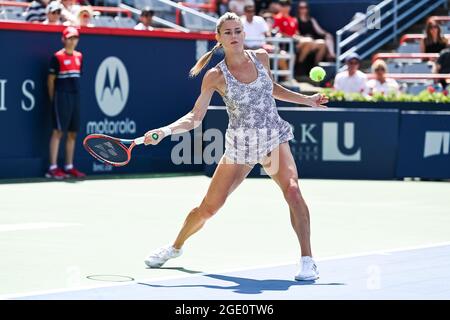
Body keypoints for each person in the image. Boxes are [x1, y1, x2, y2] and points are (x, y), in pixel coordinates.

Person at [142, 12, 328, 281]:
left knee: (294, 191)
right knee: (208, 208)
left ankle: (307, 260)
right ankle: (174, 247)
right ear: (218, 38)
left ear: (244, 34)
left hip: (273, 136)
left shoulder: (261, 57)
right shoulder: (215, 76)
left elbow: (271, 88)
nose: (234, 36)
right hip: (240, 146)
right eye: (227, 32)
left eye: (238, 31)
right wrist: (165, 131)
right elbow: (195, 117)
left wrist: (307, 100)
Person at [46, 27, 86, 179]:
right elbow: (50, 81)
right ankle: (53, 167)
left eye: (75, 38)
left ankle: (69, 166)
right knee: (58, 132)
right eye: (69, 38)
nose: (72, 41)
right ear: (63, 39)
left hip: (75, 97)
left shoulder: (79, 57)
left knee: (72, 133)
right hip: (61, 97)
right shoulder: (57, 57)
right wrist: (54, 98)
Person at [272, 0, 322, 65]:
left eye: (287, 5)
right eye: (283, 5)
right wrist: (291, 37)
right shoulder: (276, 18)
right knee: (308, 41)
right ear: (279, 6)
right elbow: (278, 33)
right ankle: (299, 65)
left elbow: (296, 33)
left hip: (294, 43)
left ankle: (300, 65)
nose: (286, 7)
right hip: (285, 44)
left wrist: (299, 37)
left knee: (311, 42)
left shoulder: (293, 19)